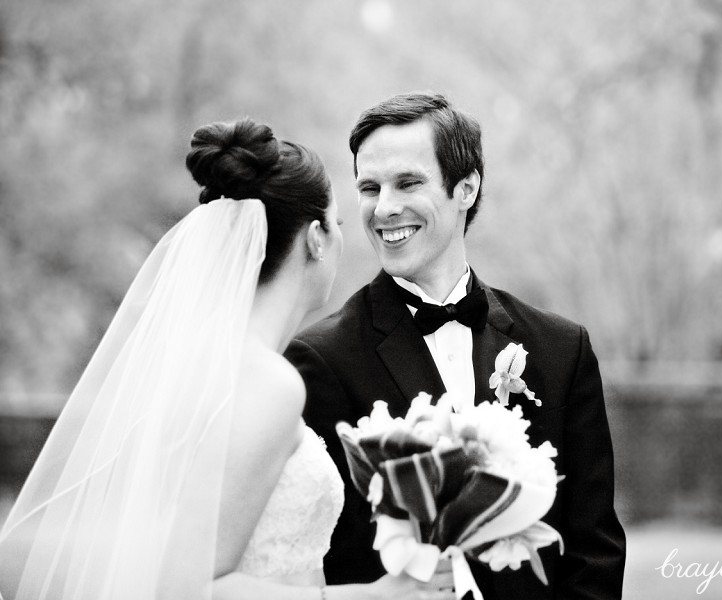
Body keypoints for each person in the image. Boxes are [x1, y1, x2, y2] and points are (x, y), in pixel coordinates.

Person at [0, 118, 453, 600]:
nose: (341, 239)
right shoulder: (269, 383)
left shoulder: (203, 368)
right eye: (336, 224)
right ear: (315, 238)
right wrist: (375, 595)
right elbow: (187, 587)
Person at [287, 93, 627, 599]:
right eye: (369, 187)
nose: (384, 208)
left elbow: (594, 550)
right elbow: (323, 556)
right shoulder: (320, 359)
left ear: (465, 188)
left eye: (407, 183)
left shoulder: (561, 350)